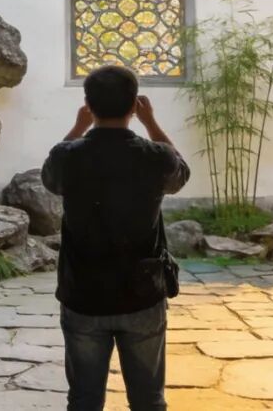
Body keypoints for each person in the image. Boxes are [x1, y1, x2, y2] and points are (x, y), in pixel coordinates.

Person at [41, 65, 190, 411]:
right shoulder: (155, 156)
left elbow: (50, 177)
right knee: (149, 400)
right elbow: (180, 173)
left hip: (83, 294)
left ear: (88, 105)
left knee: (84, 400)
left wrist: (78, 127)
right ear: (134, 105)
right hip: (142, 294)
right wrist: (151, 123)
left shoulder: (68, 156)